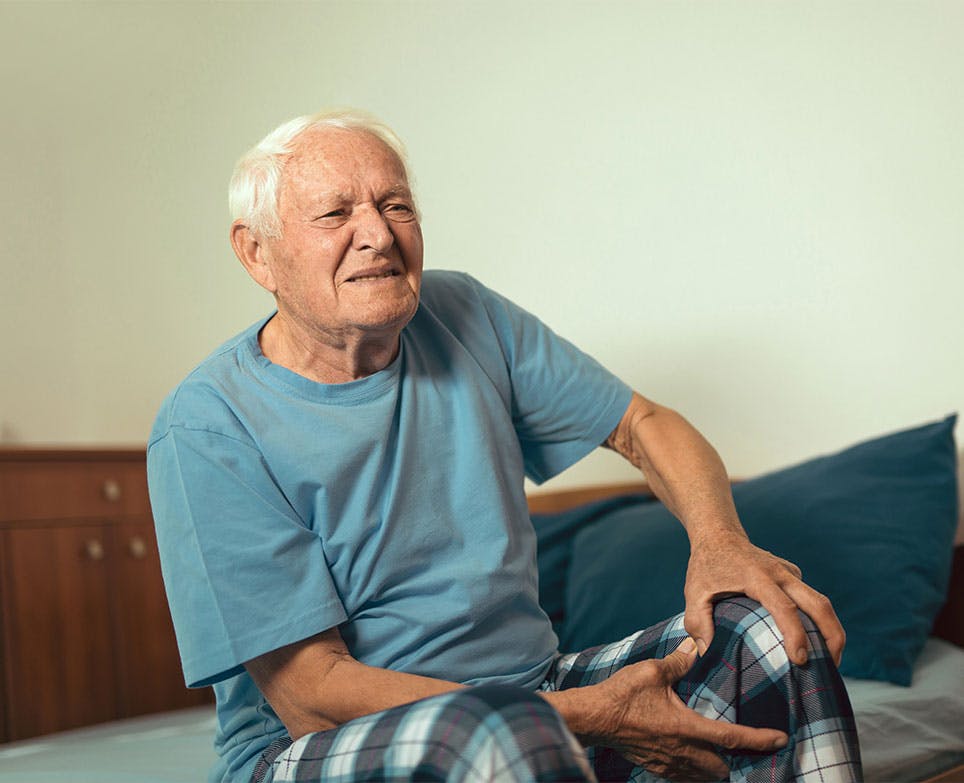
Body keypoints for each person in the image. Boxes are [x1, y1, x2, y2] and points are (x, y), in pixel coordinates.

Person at [147, 109, 862, 783]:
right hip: (304, 746)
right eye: (336, 213)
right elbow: (311, 693)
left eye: (395, 205)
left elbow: (644, 423)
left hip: (531, 689)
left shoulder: (465, 313)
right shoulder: (207, 425)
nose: (378, 234)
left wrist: (720, 542)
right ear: (256, 253)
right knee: (498, 732)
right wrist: (593, 716)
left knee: (766, 628)